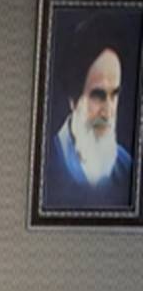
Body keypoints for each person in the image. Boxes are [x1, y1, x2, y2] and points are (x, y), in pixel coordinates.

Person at [44, 33, 133, 209]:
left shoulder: (126, 166)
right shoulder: (49, 162)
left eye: (114, 95)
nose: (108, 111)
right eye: (98, 96)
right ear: (73, 100)